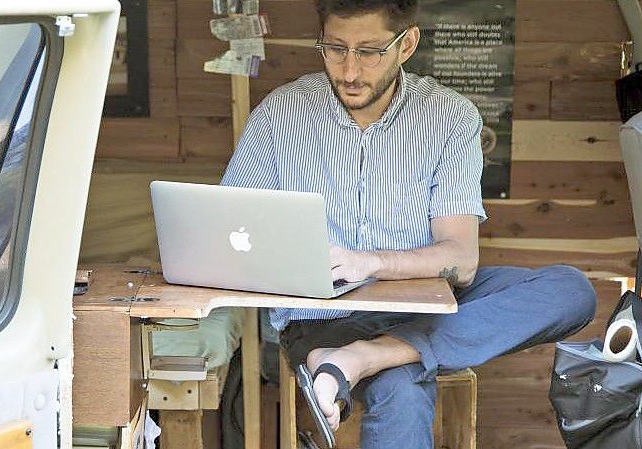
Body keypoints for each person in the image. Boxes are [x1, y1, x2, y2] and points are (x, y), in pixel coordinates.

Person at [219, 0, 598, 447]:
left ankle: (364, 357)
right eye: (335, 48)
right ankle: (370, 355)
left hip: (429, 304)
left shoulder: (450, 117)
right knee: (400, 386)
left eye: (370, 51)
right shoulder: (280, 113)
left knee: (572, 291)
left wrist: (367, 263)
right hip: (325, 317)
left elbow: (462, 260)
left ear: (407, 44)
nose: (350, 70)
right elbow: (230, 233)